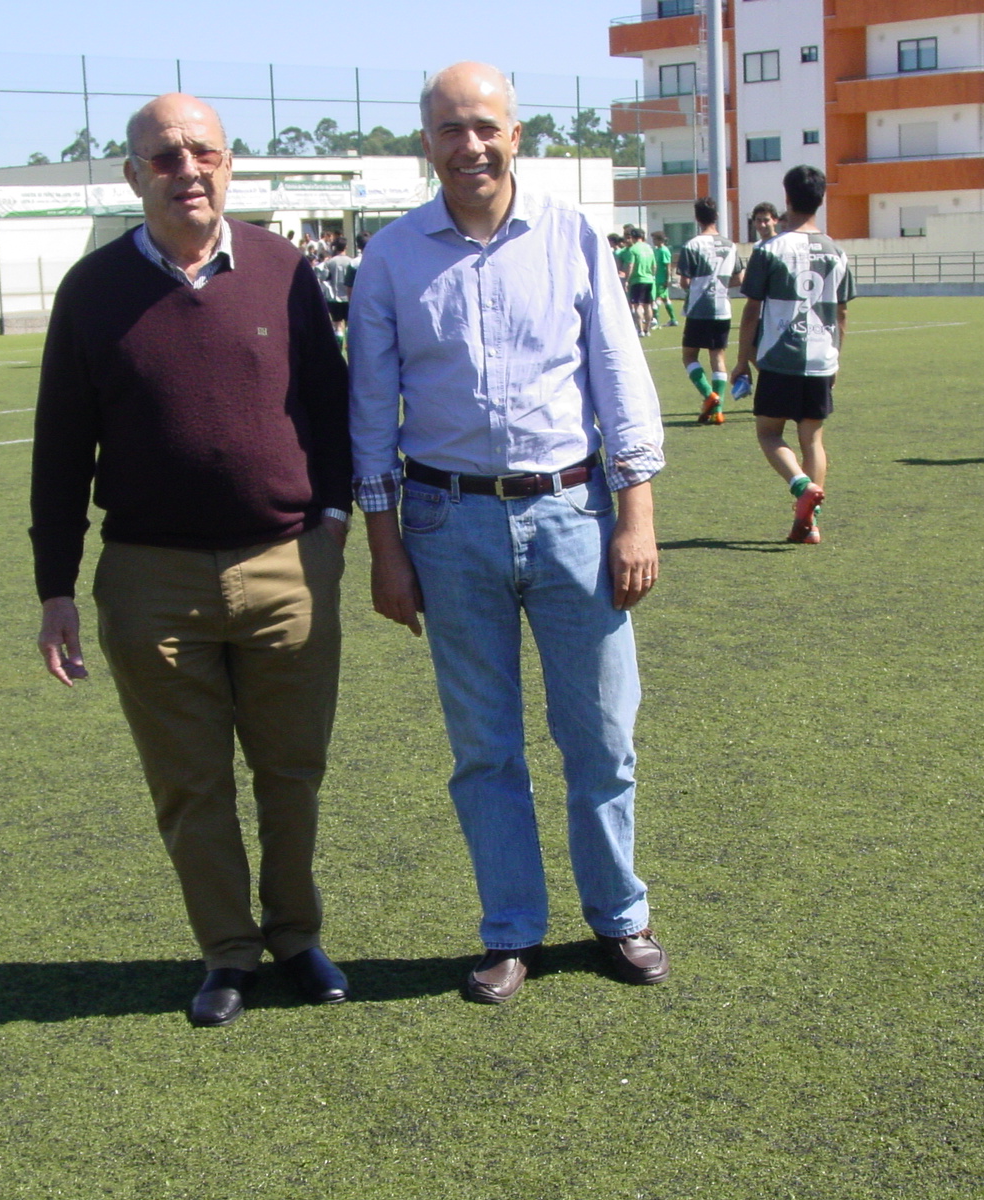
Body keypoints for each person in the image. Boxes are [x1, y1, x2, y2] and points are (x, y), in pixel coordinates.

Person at [29, 92, 354, 1029]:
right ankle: (227, 951)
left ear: (229, 163)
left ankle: (296, 936)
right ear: (134, 176)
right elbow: (60, 453)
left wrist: (331, 524)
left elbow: (333, 411)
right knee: (189, 783)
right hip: (150, 580)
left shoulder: (287, 271)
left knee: (291, 772)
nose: (187, 170)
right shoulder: (91, 293)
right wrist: (56, 588)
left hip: (289, 564)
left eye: (201, 151)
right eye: (164, 157)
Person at [349, 61, 669, 1004]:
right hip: (447, 524)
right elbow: (371, 414)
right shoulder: (392, 258)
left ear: (517, 135)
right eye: (450, 129)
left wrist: (635, 515)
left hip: (574, 513)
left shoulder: (571, 236)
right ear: (427, 143)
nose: (470, 144)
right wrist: (385, 547)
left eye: (485, 125)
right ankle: (510, 929)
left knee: (603, 735)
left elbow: (619, 379)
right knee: (486, 747)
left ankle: (620, 916)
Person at [730, 165, 854, 546]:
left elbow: (752, 310)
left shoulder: (769, 249)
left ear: (786, 199)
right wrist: (836, 358)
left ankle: (800, 485)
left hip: (779, 356)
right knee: (812, 440)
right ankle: (810, 524)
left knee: (769, 433)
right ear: (822, 199)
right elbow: (842, 313)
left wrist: (741, 360)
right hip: (821, 357)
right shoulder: (838, 252)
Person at [675, 196, 742, 424]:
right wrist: (720, 284)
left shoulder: (692, 245)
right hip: (722, 308)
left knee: (689, 355)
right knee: (718, 356)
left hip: (698, 308)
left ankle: (709, 395)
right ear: (717, 217)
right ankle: (719, 408)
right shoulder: (730, 246)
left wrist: (693, 287)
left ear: (697, 218)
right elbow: (739, 278)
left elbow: (684, 281)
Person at [318, 235, 356, 350]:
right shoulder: (351, 262)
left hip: (334, 298)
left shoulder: (330, 262)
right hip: (349, 298)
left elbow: (323, 277)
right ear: (346, 247)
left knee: (337, 325)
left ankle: (338, 349)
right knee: (350, 325)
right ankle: (351, 348)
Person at [622, 227, 657, 335]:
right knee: (648, 305)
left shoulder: (633, 249)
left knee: (637, 305)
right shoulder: (649, 248)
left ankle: (641, 330)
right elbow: (654, 266)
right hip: (649, 280)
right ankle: (647, 329)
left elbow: (630, 265)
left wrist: (627, 280)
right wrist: (652, 276)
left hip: (637, 280)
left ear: (632, 237)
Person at [650, 230, 678, 327]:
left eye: (654, 239)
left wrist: (667, 279)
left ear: (660, 240)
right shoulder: (656, 250)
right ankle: (673, 319)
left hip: (662, 279)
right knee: (666, 299)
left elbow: (668, 266)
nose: (653, 241)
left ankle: (655, 322)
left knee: (657, 299)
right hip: (656, 279)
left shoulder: (664, 251)